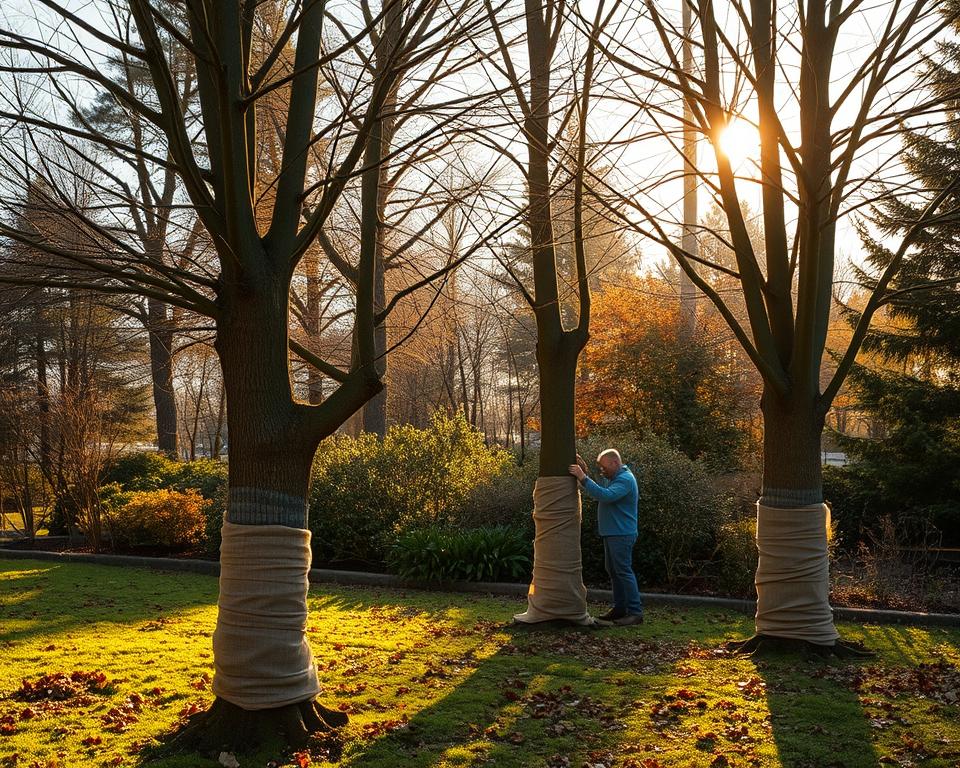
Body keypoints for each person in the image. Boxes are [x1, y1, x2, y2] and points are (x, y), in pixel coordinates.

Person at [568, 448, 643, 626]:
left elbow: (605, 495)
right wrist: (583, 470)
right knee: (614, 572)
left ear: (615, 462)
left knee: (623, 571)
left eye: (604, 467)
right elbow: (601, 487)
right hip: (613, 533)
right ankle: (620, 609)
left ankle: (635, 613)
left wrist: (582, 477)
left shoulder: (625, 479)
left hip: (621, 534)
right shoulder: (616, 478)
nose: (602, 471)